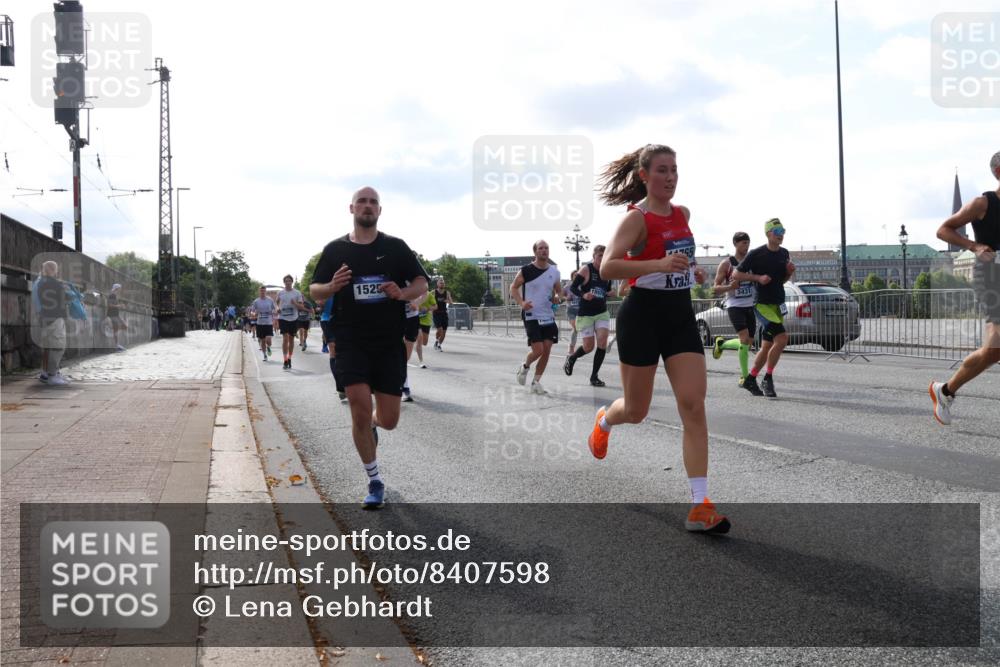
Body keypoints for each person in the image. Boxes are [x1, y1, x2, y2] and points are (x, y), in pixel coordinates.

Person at [587, 143, 729, 534]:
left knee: (693, 405)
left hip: (680, 314)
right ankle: (604, 420)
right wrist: (659, 264)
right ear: (644, 176)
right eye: (662, 170)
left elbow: (680, 259)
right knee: (636, 410)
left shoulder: (682, 215)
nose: (670, 177)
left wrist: (692, 272)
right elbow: (609, 266)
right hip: (642, 316)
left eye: (675, 170)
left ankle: (700, 505)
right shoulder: (636, 219)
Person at [309, 186, 429, 509]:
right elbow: (315, 290)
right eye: (362, 201)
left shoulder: (395, 248)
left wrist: (402, 294)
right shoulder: (335, 250)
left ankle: (375, 424)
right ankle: (375, 480)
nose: (367, 206)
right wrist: (331, 286)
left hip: (388, 343)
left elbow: (421, 283)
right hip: (351, 341)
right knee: (359, 410)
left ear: (379, 210)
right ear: (351, 208)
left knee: (388, 420)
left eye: (373, 202)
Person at [930, 150, 1000, 425]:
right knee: (995, 343)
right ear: (998, 172)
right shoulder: (983, 203)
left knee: (994, 351)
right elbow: (943, 230)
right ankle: (945, 391)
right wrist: (974, 246)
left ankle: (945, 390)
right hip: (991, 275)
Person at [731, 219, 796, 398]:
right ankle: (767, 378)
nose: (781, 234)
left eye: (783, 230)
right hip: (762, 305)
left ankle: (750, 378)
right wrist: (758, 278)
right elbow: (736, 274)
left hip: (777, 304)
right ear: (768, 234)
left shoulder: (784, 253)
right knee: (782, 339)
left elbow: (781, 280)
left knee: (767, 345)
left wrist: (789, 272)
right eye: (777, 231)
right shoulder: (756, 253)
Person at [511, 240, 563, 395]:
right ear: (535, 252)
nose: (544, 250)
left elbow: (559, 292)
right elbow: (513, 287)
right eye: (541, 248)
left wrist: (557, 297)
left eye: (546, 248)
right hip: (531, 315)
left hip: (548, 315)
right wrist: (521, 302)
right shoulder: (526, 270)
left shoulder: (554, 272)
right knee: (538, 350)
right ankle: (525, 366)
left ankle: (536, 382)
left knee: (547, 350)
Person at [711, 232, 757, 385]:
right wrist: (730, 286)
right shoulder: (727, 264)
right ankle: (744, 377)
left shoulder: (751, 262)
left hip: (750, 305)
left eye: (748, 243)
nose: (746, 246)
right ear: (735, 244)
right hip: (734, 306)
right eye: (743, 243)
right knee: (744, 339)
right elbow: (715, 288)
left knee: (748, 343)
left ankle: (722, 344)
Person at [564, 246, 613, 386]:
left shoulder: (606, 272)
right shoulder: (586, 269)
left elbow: (607, 290)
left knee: (602, 342)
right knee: (588, 347)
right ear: (594, 256)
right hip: (586, 314)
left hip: (601, 312)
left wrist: (611, 292)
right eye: (600, 256)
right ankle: (572, 358)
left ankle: (594, 376)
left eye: (605, 256)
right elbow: (573, 287)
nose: (602, 259)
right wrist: (583, 295)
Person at [35, 261, 71, 386]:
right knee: (57, 346)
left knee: (49, 346)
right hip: (55, 317)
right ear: (52, 270)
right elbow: (64, 298)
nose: (57, 272)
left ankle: (49, 373)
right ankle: (52, 375)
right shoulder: (54, 283)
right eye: (56, 269)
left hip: (46, 317)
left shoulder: (40, 282)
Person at [401, 286, 427, 401]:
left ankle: (401, 382)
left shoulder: (411, 271)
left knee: (405, 357)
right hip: (393, 317)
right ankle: (404, 387)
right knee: (396, 354)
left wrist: (417, 302)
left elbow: (425, 290)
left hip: (411, 318)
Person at [276, 274, 307, 369]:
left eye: (289, 281)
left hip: (293, 319)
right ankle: (285, 359)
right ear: (284, 282)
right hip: (283, 318)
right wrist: (277, 308)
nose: (288, 282)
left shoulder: (297, 293)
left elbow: (302, 307)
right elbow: (276, 303)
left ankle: (289, 358)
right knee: (285, 338)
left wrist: (295, 303)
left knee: (291, 339)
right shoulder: (280, 293)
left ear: (292, 282)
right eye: (286, 281)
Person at [252, 287, 277, 361]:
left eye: (263, 291)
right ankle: (265, 355)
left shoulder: (270, 300)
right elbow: (252, 311)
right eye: (261, 291)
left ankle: (268, 347)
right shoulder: (256, 301)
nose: (262, 292)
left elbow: (275, 309)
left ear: (265, 292)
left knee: (268, 340)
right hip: (260, 323)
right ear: (259, 292)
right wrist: (254, 314)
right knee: (262, 340)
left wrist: (273, 312)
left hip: (268, 323)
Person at [414, 290, 436, 368]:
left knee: (424, 342)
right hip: (416, 320)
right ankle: (421, 361)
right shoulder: (414, 293)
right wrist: (417, 308)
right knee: (419, 339)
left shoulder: (429, 295)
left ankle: (415, 344)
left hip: (426, 321)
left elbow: (435, 306)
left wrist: (427, 308)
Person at [432, 278, 453, 351]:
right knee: (439, 330)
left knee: (444, 332)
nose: (442, 284)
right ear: (437, 284)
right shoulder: (433, 292)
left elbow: (451, 302)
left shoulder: (447, 293)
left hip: (444, 313)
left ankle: (438, 344)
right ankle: (437, 340)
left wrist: (446, 300)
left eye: (443, 283)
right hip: (436, 313)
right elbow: (428, 300)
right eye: (440, 283)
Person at [106, 283, 128, 352]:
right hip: (112, 315)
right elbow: (109, 305)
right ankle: (117, 346)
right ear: (116, 289)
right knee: (117, 329)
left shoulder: (115, 295)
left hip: (116, 315)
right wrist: (119, 306)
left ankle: (117, 345)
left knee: (124, 326)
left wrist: (120, 305)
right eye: (119, 289)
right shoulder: (112, 295)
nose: (120, 290)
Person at [564, 270, 581, 354]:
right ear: (572, 277)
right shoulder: (568, 286)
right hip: (571, 310)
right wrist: (566, 297)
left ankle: (573, 346)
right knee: (575, 327)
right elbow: (560, 295)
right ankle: (571, 347)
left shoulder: (582, 286)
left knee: (576, 329)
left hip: (581, 311)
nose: (576, 276)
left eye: (578, 275)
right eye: (575, 275)